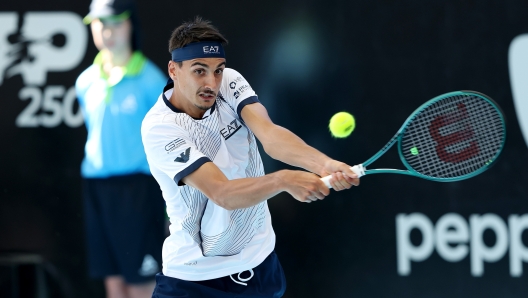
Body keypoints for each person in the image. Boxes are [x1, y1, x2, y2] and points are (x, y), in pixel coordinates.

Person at [141, 17, 360, 297]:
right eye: (199, 71)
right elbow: (222, 193)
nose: (212, 82)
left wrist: (325, 164)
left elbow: (270, 135)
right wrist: (283, 180)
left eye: (218, 70)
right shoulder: (159, 128)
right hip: (196, 281)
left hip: (260, 267)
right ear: (174, 70)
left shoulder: (230, 82)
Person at [76, 0, 167, 297]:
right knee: (113, 281)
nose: (107, 31)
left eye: (115, 22)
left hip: (138, 191)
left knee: (141, 283)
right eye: (100, 24)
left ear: (130, 24)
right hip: (97, 189)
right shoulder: (86, 81)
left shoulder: (151, 81)